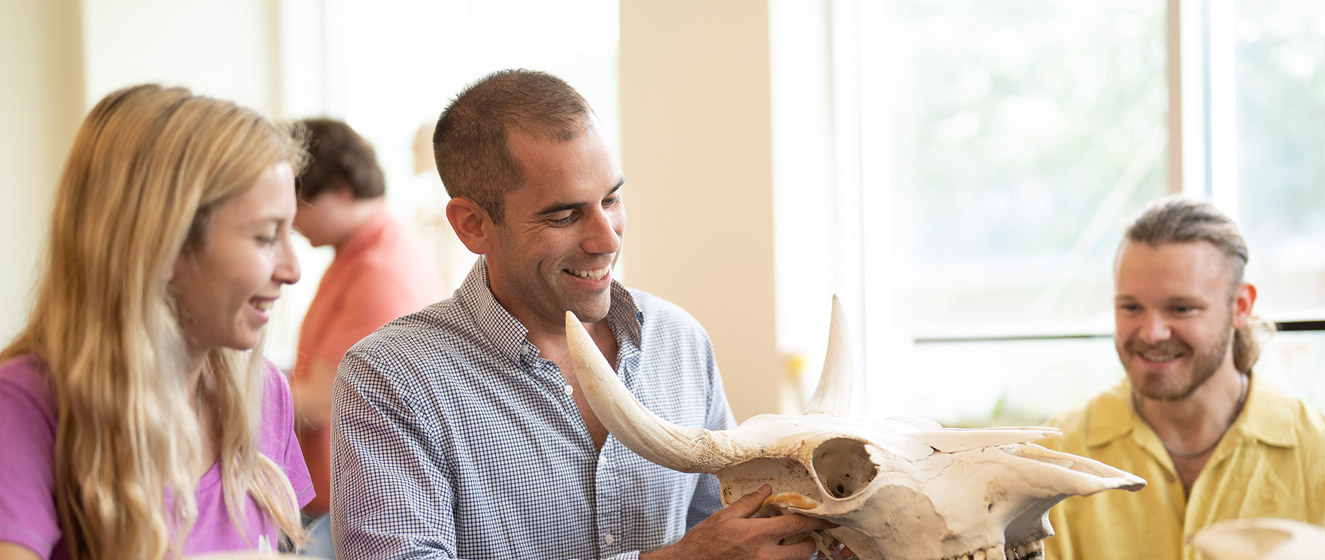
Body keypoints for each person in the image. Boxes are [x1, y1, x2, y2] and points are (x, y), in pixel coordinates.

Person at [330, 69, 833, 559]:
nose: (607, 239)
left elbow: (727, 532)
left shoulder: (678, 341)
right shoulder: (390, 377)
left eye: (611, 199)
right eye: (564, 215)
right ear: (472, 225)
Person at [0, 85, 314, 559]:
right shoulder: (25, 406)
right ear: (162, 245)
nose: (293, 270)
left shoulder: (263, 393)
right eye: (267, 237)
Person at [1040, 195, 1325, 560]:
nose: (1152, 332)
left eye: (1181, 308)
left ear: (1240, 306)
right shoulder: (1054, 460)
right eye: (1131, 307)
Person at [288, 118, 446, 555]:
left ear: (340, 189)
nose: (292, 221)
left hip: (346, 504)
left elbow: (323, 399)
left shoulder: (378, 271)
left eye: (298, 203)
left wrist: (229, 396)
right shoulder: (362, 252)